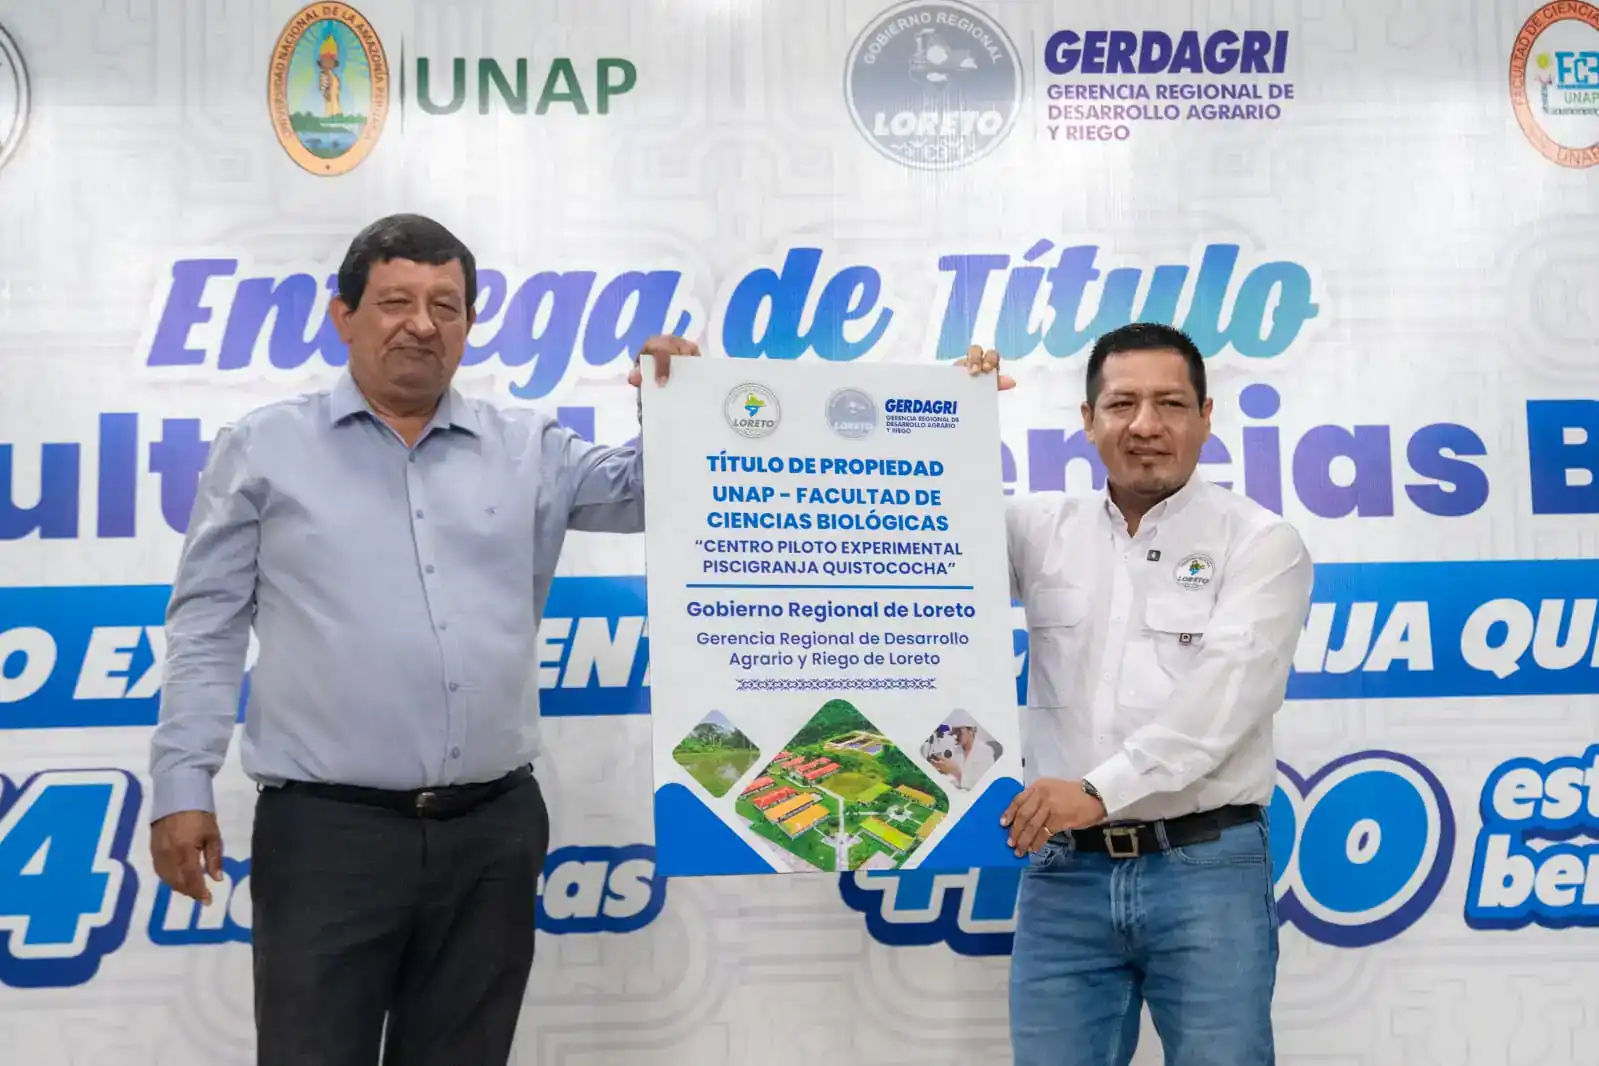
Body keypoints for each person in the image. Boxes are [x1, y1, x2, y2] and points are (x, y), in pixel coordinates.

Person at [146, 212, 699, 1066]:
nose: (422, 324)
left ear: (470, 324)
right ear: (344, 317)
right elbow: (206, 626)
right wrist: (182, 784)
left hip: (492, 832)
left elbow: (648, 491)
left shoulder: (528, 448)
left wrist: (675, 404)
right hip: (328, 836)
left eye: (446, 305)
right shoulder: (262, 449)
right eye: (395, 301)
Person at [963, 325, 1313, 1065]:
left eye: (1170, 404)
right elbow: (916, 547)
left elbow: (1223, 703)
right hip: (1063, 875)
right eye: (1121, 404)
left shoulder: (1260, 542)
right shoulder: (1035, 530)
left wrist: (1097, 792)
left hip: (1205, 868)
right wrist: (948, 416)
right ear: (1088, 420)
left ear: (1205, 417)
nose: (1145, 424)